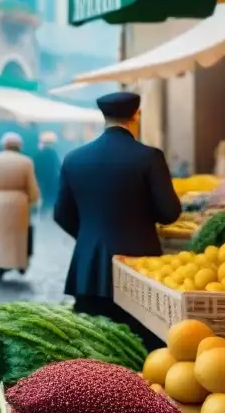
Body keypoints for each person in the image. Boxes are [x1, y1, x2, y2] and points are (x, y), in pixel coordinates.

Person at [54, 91, 181, 326]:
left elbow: (61, 214)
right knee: (139, 345)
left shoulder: (74, 158)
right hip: (140, 266)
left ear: (104, 116)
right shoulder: (149, 157)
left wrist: (90, 235)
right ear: (136, 116)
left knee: (94, 345)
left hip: (89, 266)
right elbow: (169, 213)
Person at [0, 132, 40, 282]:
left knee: (1, 235)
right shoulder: (26, 162)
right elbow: (32, 187)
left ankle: (0, 265)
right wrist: (32, 200)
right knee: (19, 236)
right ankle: (20, 263)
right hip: (20, 202)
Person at [34, 131, 62, 209]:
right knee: (50, 200)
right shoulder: (53, 153)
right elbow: (59, 167)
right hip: (51, 180)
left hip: (41, 181)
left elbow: (35, 168)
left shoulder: (38, 154)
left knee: (43, 200)